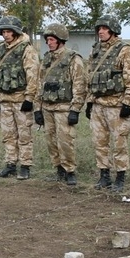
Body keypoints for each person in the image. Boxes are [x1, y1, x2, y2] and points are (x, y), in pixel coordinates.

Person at [84, 14, 130, 193]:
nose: (101, 32)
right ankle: (104, 175)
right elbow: (89, 77)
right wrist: (89, 101)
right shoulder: (95, 50)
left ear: (113, 30)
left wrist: (127, 103)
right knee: (99, 142)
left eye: (104, 28)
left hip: (116, 105)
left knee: (119, 143)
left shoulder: (124, 50)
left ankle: (120, 176)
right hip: (98, 104)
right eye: (99, 29)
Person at [34, 23, 87, 185]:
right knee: (51, 141)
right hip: (48, 107)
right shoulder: (47, 59)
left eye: (51, 39)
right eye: (47, 40)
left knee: (65, 141)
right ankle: (59, 169)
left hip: (64, 108)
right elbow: (39, 84)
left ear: (60, 40)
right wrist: (38, 109)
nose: (48, 43)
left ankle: (70, 170)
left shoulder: (73, 59)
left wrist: (75, 110)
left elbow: (79, 85)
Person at [0, 15, 40, 180]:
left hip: (20, 99)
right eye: (3, 31)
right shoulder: (0, 50)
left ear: (16, 32)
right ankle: (10, 164)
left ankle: (25, 166)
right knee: (8, 135)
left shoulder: (27, 49)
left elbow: (33, 76)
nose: (5, 34)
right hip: (4, 99)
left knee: (24, 135)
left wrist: (29, 99)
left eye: (9, 31)